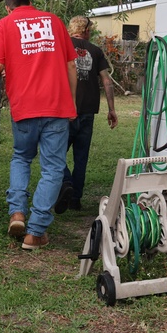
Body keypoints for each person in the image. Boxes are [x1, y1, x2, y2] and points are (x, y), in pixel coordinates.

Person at [0, 0, 77, 250]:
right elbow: (71, 65)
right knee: (53, 169)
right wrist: (72, 103)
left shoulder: (4, 24)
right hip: (57, 107)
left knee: (21, 157)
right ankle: (35, 233)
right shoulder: (55, 21)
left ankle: (17, 214)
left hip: (24, 106)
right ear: (31, 3)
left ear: (8, 7)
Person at [56, 16, 117, 213]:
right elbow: (107, 81)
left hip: (65, 111)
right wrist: (111, 109)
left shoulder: (62, 45)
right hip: (88, 111)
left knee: (56, 153)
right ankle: (75, 199)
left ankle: (66, 183)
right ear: (86, 30)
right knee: (81, 157)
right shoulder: (96, 51)